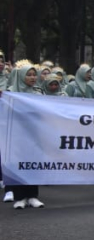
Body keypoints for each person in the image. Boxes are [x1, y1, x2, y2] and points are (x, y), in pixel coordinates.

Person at [7, 61, 45, 209]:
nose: (32, 78)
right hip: (17, 134)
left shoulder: (38, 92)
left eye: (34, 74)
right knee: (18, 164)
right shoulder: (10, 91)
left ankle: (32, 196)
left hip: (34, 133)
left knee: (32, 163)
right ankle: (19, 197)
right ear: (21, 76)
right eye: (29, 75)